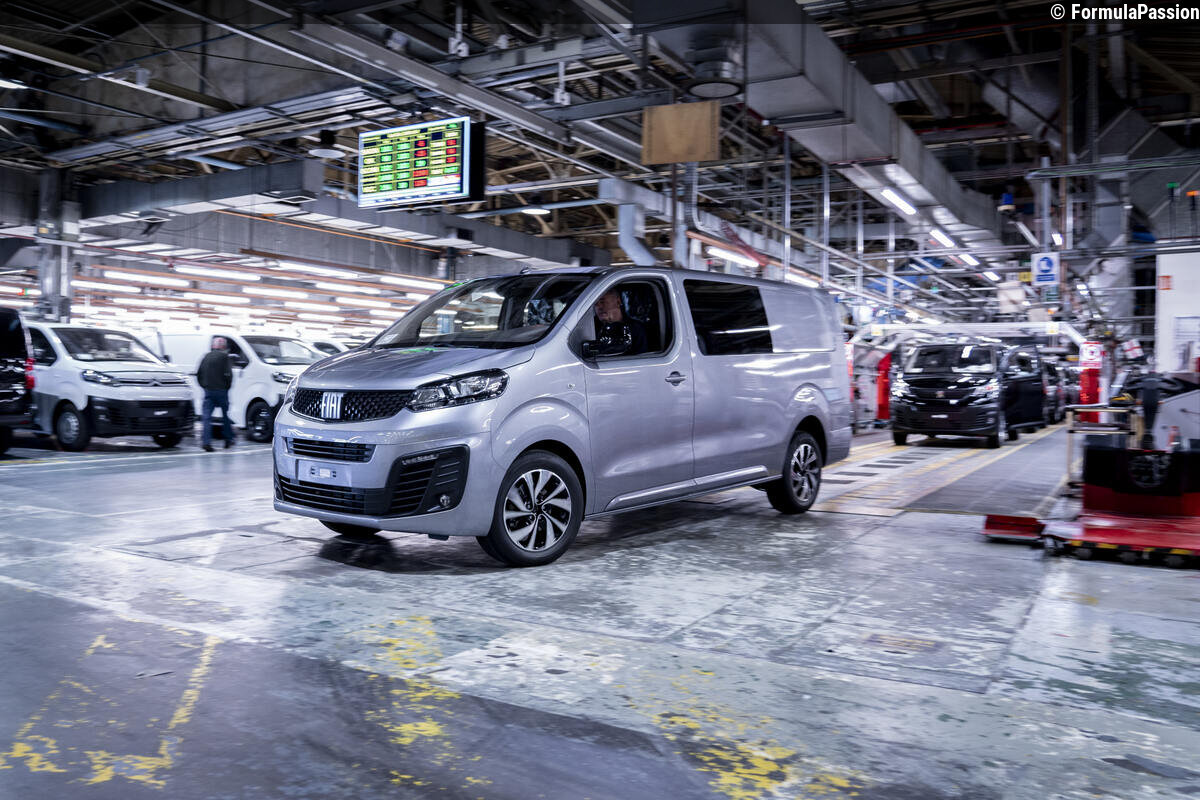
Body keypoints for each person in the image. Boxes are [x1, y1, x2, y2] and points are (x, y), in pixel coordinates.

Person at [197, 337, 235, 452]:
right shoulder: (224, 357)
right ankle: (228, 439)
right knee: (225, 416)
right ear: (223, 346)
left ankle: (206, 442)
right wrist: (227, 387)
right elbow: (229, 375)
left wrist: (204, 386)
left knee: (206, 417)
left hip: (208, 391)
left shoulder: (206, 356)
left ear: (213, 346)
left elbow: (199, 374)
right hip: (221, 391)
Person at [593, 290, 648, 357]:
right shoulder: (590, 328)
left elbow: (640, 359)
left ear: (618, 302)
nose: (598, 307)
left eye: (602, 301)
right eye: (595, 303)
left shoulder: (636, 329)